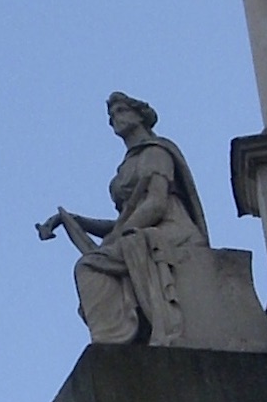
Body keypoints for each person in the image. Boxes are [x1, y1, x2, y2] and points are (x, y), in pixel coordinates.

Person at [36, 93, 209, 346]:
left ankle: (115, 336)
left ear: (140, 115)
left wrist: (119, 234)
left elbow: (156, 204)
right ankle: (116, 336)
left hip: (172, 229)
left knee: (90, 265)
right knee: (95, 261)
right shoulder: (127, 165)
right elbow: (121, 222)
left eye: (120, 111)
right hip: (137, 229)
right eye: (111, 115)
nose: (114, 119)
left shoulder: (156, 152)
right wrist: (74, 220)